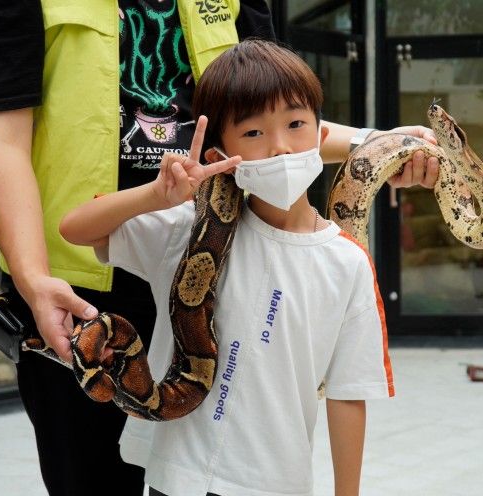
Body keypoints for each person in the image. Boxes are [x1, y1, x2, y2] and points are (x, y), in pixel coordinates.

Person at [0, 1, 436, 494]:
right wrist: (33, 279)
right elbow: (2, 143)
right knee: (88, 477)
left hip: (218, 261)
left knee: (202, 468)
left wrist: (382, 144)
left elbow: (271, 115)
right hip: (79, 294)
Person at [59, 39, 394, 496]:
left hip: (274, 481)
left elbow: (348, 390)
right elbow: (75, 228)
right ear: (219, 157)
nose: (278, 148)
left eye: (295, 124)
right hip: (180, 475)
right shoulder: (185, 227)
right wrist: (155, 196)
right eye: (253, 133)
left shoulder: (348, 263)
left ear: (320, 135)